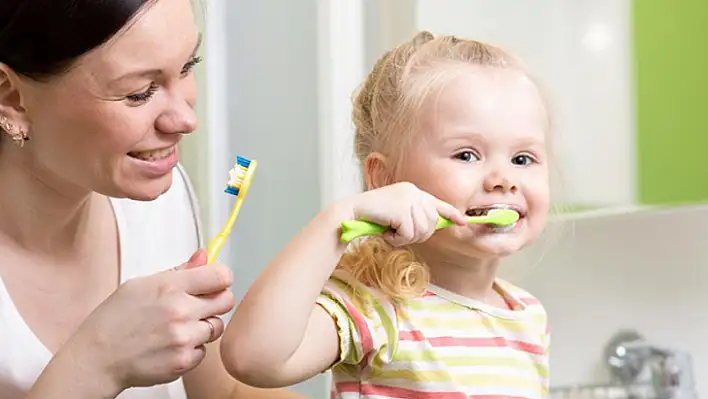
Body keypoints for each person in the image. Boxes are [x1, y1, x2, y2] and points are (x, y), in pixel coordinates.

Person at [0, 1, 308, 398]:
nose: (185, 120)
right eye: (139, 92)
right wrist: (96, 362)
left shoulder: (157, 201)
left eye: (187, 66)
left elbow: (221, 393)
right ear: (12, 97)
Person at [221, 31, 553, 398]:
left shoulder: (527, 317)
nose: (503, 180)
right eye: (466, 155)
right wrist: (340, 219)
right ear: (386, 179)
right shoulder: (376, 307)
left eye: (523, 159)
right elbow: (251, 358)